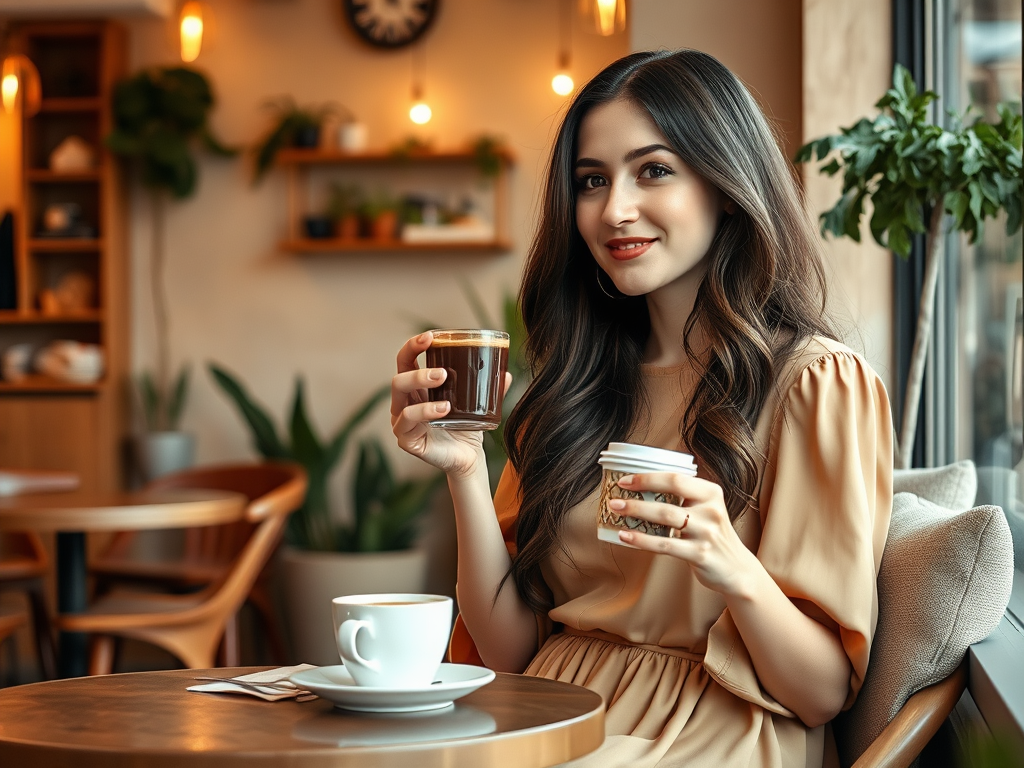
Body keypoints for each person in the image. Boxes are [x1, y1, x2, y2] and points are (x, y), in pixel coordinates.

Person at [391, 49, 893, 768]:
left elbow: (818, 693)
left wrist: (728, 562)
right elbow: (509, 650)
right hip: (546, 716)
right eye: (591, 181)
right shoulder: (575, 387)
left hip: (708, 732)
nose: (613, 209)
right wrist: (466, 466)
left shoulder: (815, 384)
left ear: (725, 184)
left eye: (653, 170)